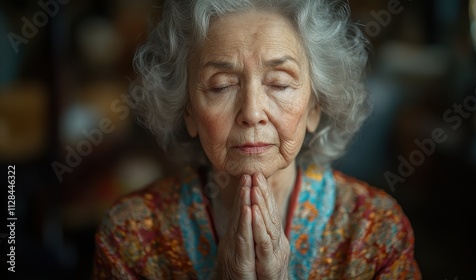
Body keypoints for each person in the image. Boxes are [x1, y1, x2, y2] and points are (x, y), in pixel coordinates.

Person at [93, 0, 421, 279]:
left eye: (279, 83)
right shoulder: (132, 235)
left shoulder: (375, 230)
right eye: (221, 86)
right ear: (189, 111)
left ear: (314, 107)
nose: (252, 112)